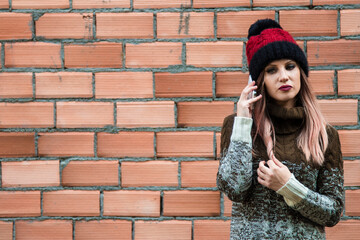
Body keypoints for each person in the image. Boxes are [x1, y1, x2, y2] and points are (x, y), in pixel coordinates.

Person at [217, 19, 344, 239]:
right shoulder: (238, 126)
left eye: (290, 66)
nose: (283, 76)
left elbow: (333, 212)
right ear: (259, 80)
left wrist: (289, 186)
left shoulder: (325, 136)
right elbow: (234, 190)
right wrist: (243, 124)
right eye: (271, 70)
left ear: (300, 72)